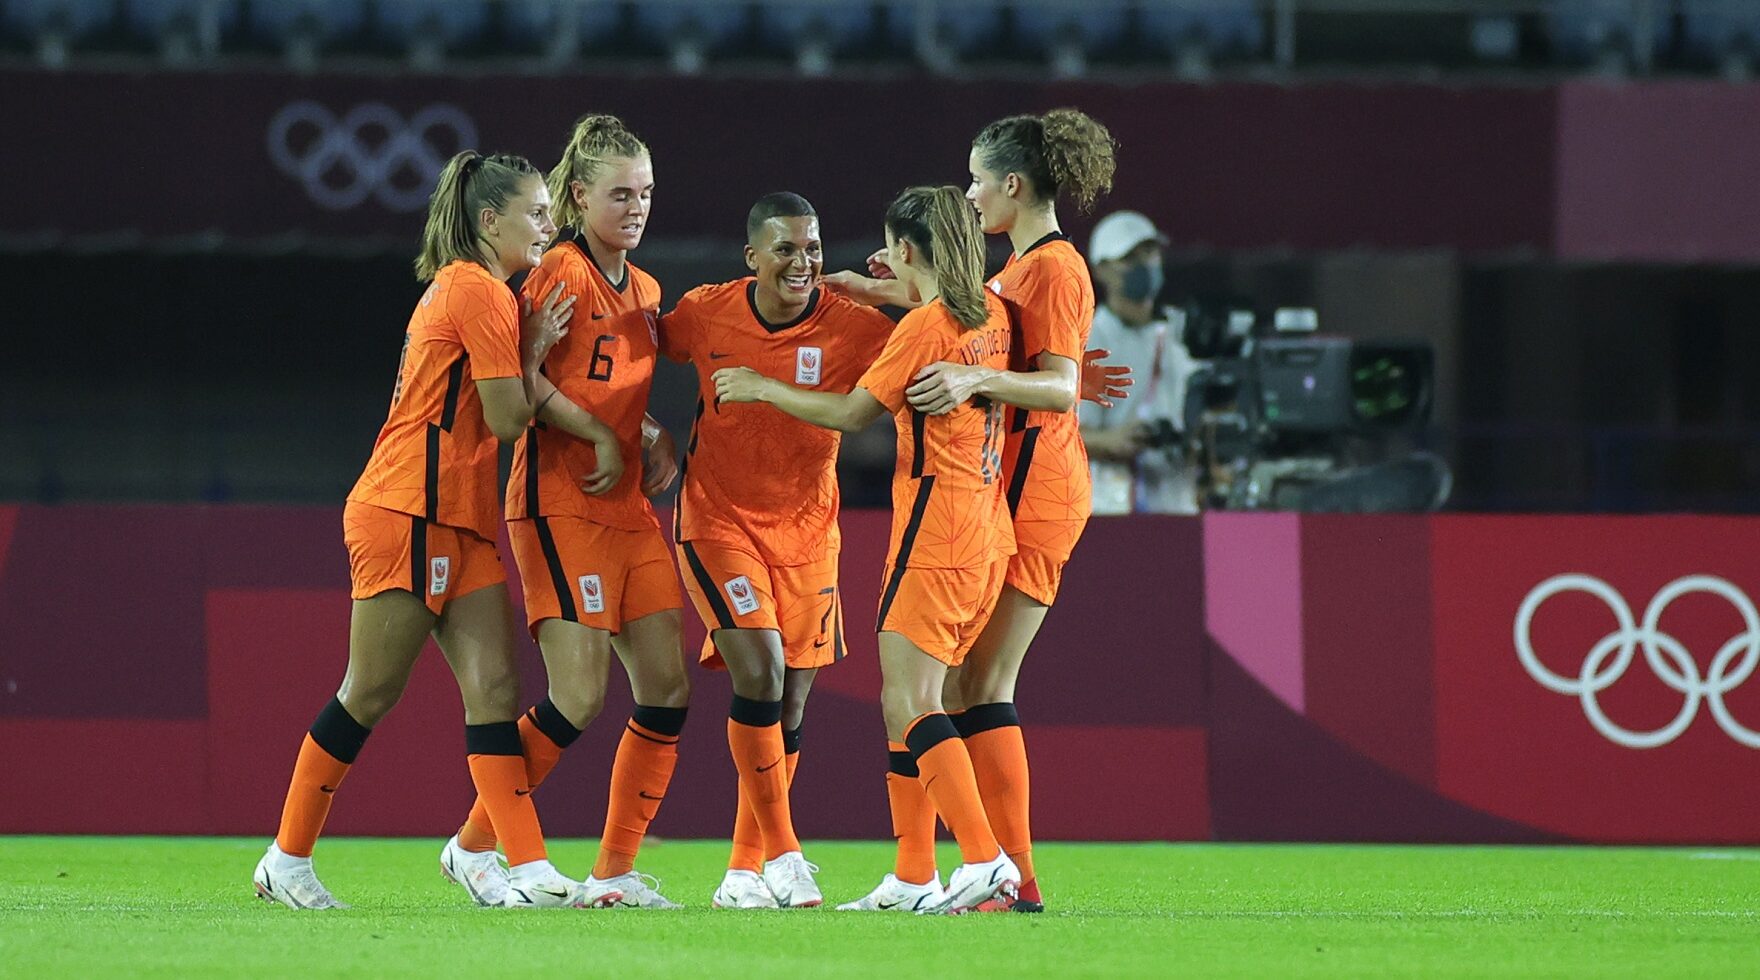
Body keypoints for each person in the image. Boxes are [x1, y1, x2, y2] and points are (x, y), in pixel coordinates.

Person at [254, 150, 609, 910]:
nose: (550, 225)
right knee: (370, 692)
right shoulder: (477, 289)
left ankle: (518, 863)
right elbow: (512, 416)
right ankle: (286, 858)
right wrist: (534, 352)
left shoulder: (486, 291)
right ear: (490, 221)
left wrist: (528, 349)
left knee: (496, 689)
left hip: (459, 514)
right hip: (407, 507)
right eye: (536, 212)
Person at [826, 108, 1118, 913]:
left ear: (1012, 185)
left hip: (1034, 495)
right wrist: (894, 296)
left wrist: (975, 383)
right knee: (950, 690)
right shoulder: (1016, 269)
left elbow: (1055, 386)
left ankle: (1007, 877)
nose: (969, 193)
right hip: (1001, 488)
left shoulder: (1054, 269)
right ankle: (936, 873)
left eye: (977, 179)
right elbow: (978, 343)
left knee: (975, 687)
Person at [714, 185, 1021, 916]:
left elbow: (854, 414)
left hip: (935, 533)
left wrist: (763, 386)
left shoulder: (923, 327)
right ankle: (915, 875)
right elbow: (931, 319)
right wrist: (877, 289)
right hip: (985, 531)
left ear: (905, 251)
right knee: (907, 708)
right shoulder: (990, 312)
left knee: (910, 701)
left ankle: (983, 859)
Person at [438, 115, 692, 910]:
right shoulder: (554, 274)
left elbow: (613, 388)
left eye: (646, 192)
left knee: (666, 689)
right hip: (559, 506)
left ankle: (613, 873)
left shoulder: (646, 289)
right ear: (578, 196)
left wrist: (651, 434)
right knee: (578, 695)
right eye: (621, 193)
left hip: (627, 514)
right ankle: (478, 844)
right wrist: (597, 436)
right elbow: (519, 384)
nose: (637, 206)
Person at [659, 192, 895, 909]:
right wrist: (639, 432)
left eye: (814, 248)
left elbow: (941, 337)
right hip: (719, 520)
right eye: (787, 249)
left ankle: (740, 872)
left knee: (790, 699)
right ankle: (786, 853)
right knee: (758, 668)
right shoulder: (705, 311)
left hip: (808, 531)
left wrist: (1052, 383)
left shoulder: (855, 326)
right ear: (753, 256)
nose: (804, 262)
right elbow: (638, 352)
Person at [1080, 210, 1200, 515]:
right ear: (1101, 270)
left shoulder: (1180, 332)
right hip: (1110, 507)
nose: (1143, 265)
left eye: (1149, 252)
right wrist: (1112, 441)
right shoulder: (1089, 339)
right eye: (1129, 257)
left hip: (1177, 503)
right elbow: (1062, 435)